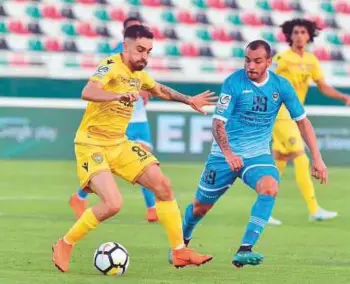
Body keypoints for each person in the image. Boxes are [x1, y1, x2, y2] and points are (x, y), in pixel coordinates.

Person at [52, 25, 217, 272]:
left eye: (149, 51)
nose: (145, 56)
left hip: (119, 143)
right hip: (91, 144)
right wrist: (116, 96)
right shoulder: (110, 65)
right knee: (113, 203)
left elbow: (159, 89)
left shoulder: (139, 75)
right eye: (140, 49)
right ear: (126, 45)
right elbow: (88, 91)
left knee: (163, 185)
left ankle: (179, 251)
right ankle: (65, 244)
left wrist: (188, 100)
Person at [180, 40, 328, 268]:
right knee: (200, 207)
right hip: (223, 156)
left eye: (257, 61)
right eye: (247, 60)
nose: (251, 65)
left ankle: (245, 249)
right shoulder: (233, 83)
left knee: (270, 187)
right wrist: (228, 154)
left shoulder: (281, 86)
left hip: (257, 155)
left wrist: (317, 158)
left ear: (269, 62)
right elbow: (218, 123)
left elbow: (303, 122)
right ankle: (181, 243)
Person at [69, 17, 158, 223]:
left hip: (139, 118)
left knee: (144, 160)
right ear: (126, 33)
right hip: (118, 120)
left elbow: (143, 79)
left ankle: (151, 207)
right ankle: (81, 195)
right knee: (120, 163)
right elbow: (107, 82)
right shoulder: (116, 56)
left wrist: (146, 89)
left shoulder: (142, 53)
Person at [270, 19, 350, 225]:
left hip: (295, 114)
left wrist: (343, 97)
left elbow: (322, 86)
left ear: (309, 35)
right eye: (295, 32)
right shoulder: (282, 58)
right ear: (290, 35)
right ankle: (314, 209)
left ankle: (264, 209)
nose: (298, 35)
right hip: (280, 115)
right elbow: (267, 82)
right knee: (300, 156)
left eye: (303, 32)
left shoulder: (312, 61)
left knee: (279, 161)